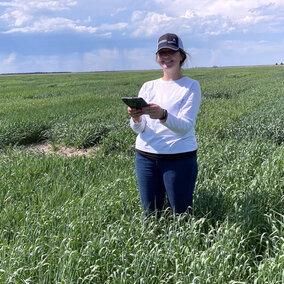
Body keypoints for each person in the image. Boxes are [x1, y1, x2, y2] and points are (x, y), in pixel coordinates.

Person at [128, 33, 201, 216]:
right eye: (162, 53)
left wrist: (163, 115)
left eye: (171, 52)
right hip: (145, 157)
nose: (166, 57)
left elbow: (185, 125)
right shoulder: (148, 86)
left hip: (179, 158)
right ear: (157, 57)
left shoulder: (191, 86)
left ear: (181, 55)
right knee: (150, 215)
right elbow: (139, 128)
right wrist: (136, 118)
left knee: (181, 214)